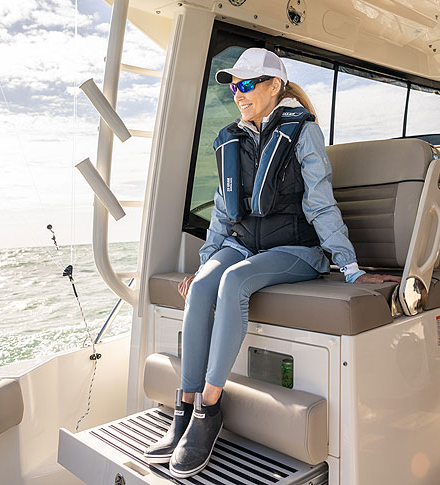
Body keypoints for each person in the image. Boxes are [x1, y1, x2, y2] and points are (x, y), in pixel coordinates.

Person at [144, 47, 400, 478]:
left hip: (296, 250)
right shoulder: (231, 138)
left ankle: (209, 408)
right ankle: (184, 409)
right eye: (233, 87)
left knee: (234, 282)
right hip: (244, 245)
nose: (238, 94)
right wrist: (204, 263)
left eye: (246, 84)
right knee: (204, 285)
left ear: (274, 85)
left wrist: (350, 268)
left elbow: (320, 203)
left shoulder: (302, 131)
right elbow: (223, 214)